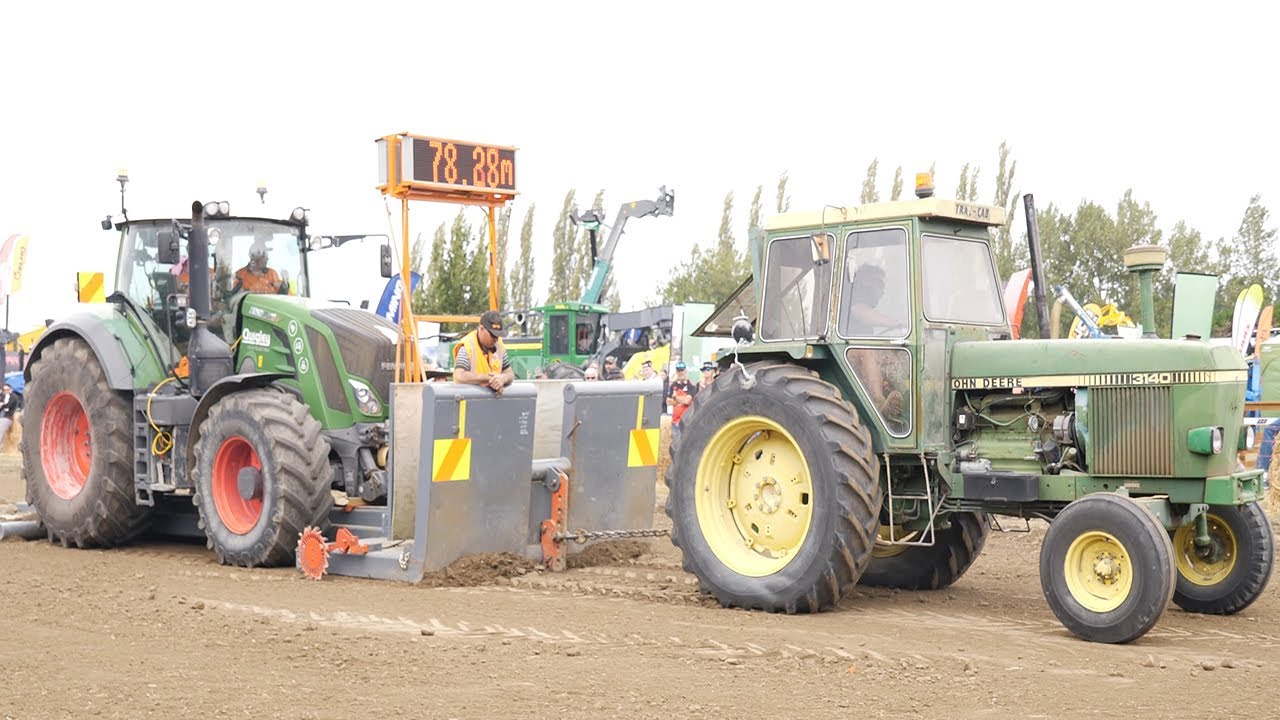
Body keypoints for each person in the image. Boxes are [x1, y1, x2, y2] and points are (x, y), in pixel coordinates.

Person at [452, 310, 515, 396]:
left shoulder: (499, 345)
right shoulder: (467, 346)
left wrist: (503, 378)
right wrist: (490, 378)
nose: (495, 339)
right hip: (468, 400)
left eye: (498, 335)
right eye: (492, 335)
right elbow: (460, 376)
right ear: (481, 328)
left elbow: (510, 374)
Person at [843, 264, 901, 335]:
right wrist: (898, 323)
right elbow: (862, 313)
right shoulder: (852, 299)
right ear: (866, 282)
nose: (882, 292)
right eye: (880, 285)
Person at [666, 362, 698, 431]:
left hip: (687, 421)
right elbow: (668, 401)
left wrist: (675, 397)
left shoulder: (691, 385)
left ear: (685, 371)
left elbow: (687, 401)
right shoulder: (674, 385)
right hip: (675, 421)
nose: (680, 373)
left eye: (682, 370)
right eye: (678, 371)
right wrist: (681, 400)